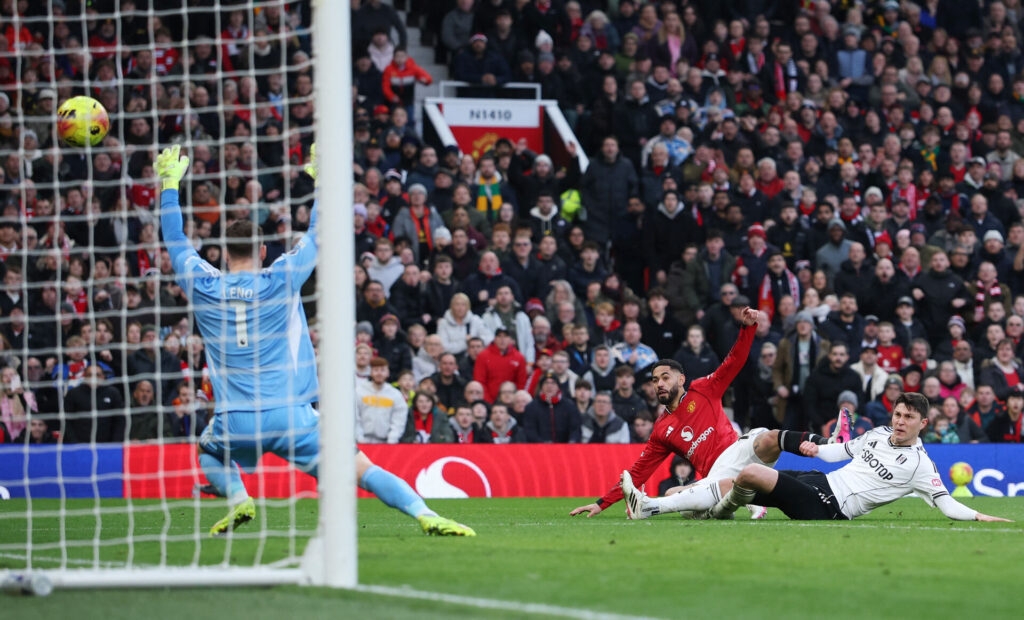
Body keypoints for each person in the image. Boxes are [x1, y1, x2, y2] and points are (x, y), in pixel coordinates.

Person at [157, 146, 472, 537]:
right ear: (261, 251)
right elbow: (318, 232)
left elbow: (175, 241)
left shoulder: (203, 284)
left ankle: (239, 498)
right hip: (292, 416)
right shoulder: (281, 276)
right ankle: (425, 514)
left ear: (224, 255)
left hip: (235, 419)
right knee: (363, 470)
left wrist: (169, 185)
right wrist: (321, 181)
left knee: (208, 451)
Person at [572, 307, 846, 519]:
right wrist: (600, 504)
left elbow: (733, 363)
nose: (660, 384)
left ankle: (828, 444)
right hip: (717, 477)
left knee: (766, 436)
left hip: (740, 452)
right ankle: (747, 503)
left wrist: (748, 328)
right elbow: (638, 472)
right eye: (655, 380)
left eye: (665, 377)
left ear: (681, 380)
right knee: (675, 491)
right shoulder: (661, 430)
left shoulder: (703, 390)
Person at [705, 393, 1010, 523]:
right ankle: (678, 503)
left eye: (909, 417)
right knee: (721, 484)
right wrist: (816, 449)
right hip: (819, 481)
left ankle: (719, 512)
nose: (901, 421)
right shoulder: (878, 433)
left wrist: (978, 515)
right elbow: (838, 452)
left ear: (923, 423)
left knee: (751, 474)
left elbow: (947, 504)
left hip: (827, 507)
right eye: (898, 414)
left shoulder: (921, 466)